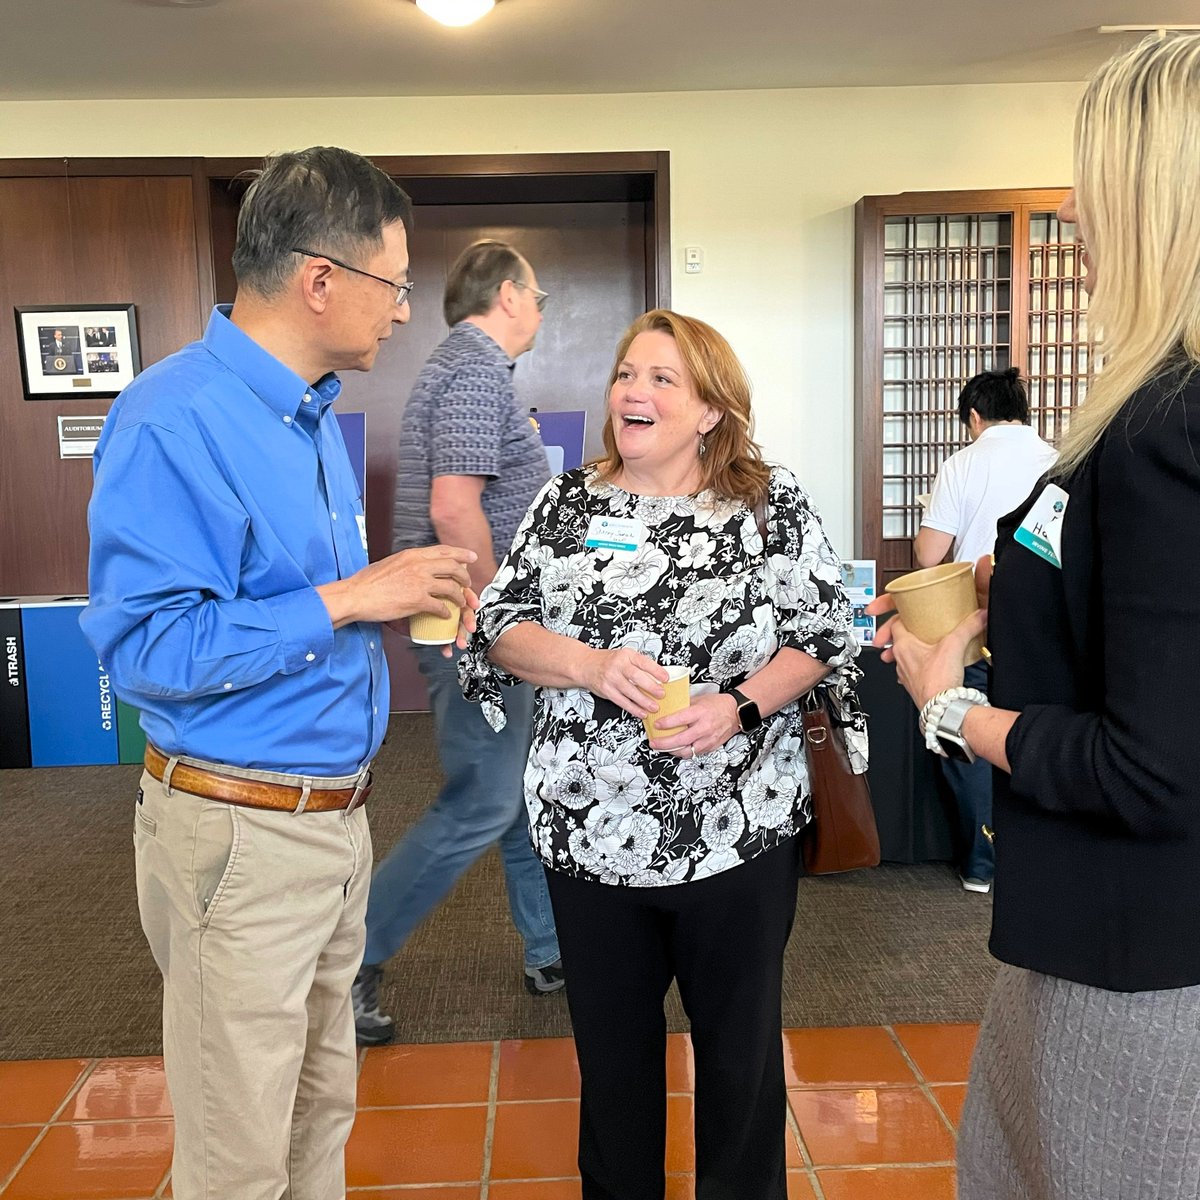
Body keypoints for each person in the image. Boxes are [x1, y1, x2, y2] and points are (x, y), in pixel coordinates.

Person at [80, 146, 478, 1200]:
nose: (401, 312)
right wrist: (353, 599)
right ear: (319, 280)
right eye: (393, 285)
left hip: (329, 824)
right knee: (235, 1160)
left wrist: (388, 603)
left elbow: (279, 617)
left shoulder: (301, 415)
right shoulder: (175, 416)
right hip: (240, 836)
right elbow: (149, 654)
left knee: (313, 1121)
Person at [869, 34, 1200, 1200]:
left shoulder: (1164, 428)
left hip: (1143, 964)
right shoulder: (1146, 412)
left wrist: (954, 706)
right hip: (1092, 942)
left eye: (1088, 180)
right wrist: (1011, 607)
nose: (1068, 209)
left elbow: (1157, 766)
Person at [460, 309, 865, 1199]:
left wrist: (739, 705)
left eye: (661, 379)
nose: (632, 393)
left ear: (711, 410)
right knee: (613, 1074)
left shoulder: (768, 503)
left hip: (737, 834)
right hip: (587, 835)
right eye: (625, 375)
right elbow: (496, 627)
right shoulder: (567, 503)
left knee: (741, 1064)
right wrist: (590, 665)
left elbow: (828, 628)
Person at [352, 239, 562, 1045]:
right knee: (483, 798)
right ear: (507, 295)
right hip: (470, 624)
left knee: (513, 793)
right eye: (537, 294)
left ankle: (550, 949)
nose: (542, 308)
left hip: (463, 616)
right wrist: (498, 617)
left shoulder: (465, 368)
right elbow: (452, 508)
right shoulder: (475, 368)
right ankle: (351, 963)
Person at [914, 367, 1056, 893]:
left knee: (966, 729)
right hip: (1045, 626)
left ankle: (981, 865)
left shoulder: (962, 463)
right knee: (1035, 734)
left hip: (974, 622)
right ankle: (1034, 863)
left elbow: (929, 555)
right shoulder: (1060, 461)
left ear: (974, 416)